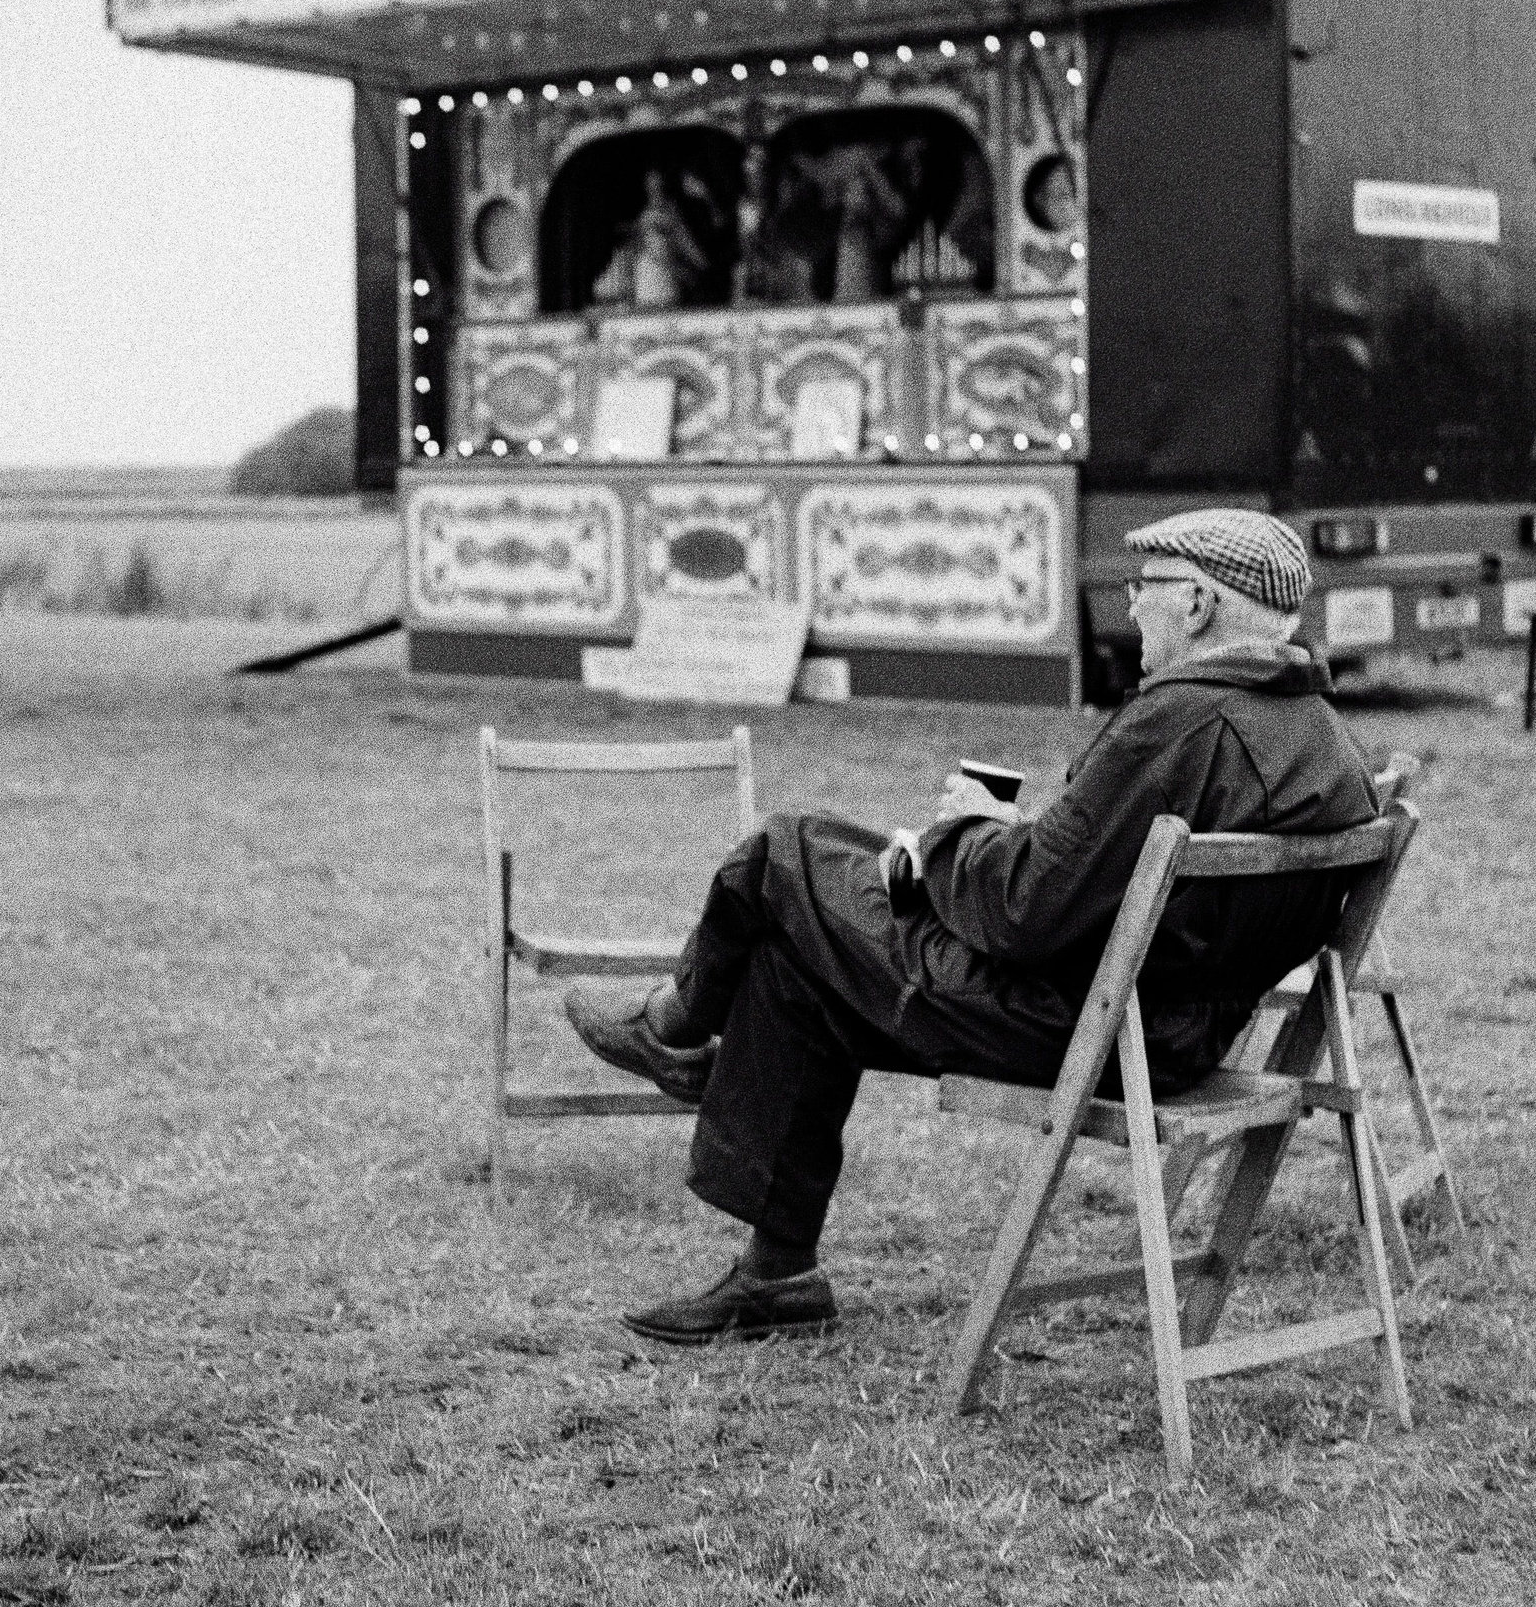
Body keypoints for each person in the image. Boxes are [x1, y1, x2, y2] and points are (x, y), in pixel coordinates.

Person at [563, 510, 1379, 1345]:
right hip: (1173, 1028)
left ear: (1199, 603)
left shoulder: (1180, 721)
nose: (1132, 606)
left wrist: (965, 829)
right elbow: (1100, 878)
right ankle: (779, 1276)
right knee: (793, 959)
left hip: (1079, 1023)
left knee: (781, 852)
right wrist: (1002, 838)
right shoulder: (1325, 740)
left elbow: (1022, 912)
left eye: (1145, 588)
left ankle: (672, 1027)